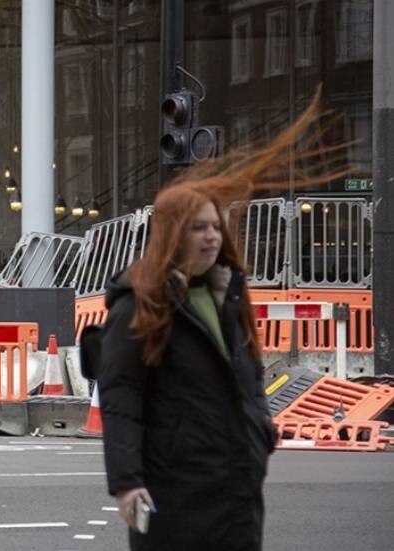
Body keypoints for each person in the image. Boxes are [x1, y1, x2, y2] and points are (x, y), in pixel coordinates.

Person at [97, 87, 348, 551]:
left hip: (235, 487)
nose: (212, 237)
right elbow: (121, 395)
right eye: (199, 228)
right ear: (173, 234)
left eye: (216, 226)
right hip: (176, 491)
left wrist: (260, 432)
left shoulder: (226, 294)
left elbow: (248, 375)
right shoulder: (141, 302)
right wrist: (127, 482)